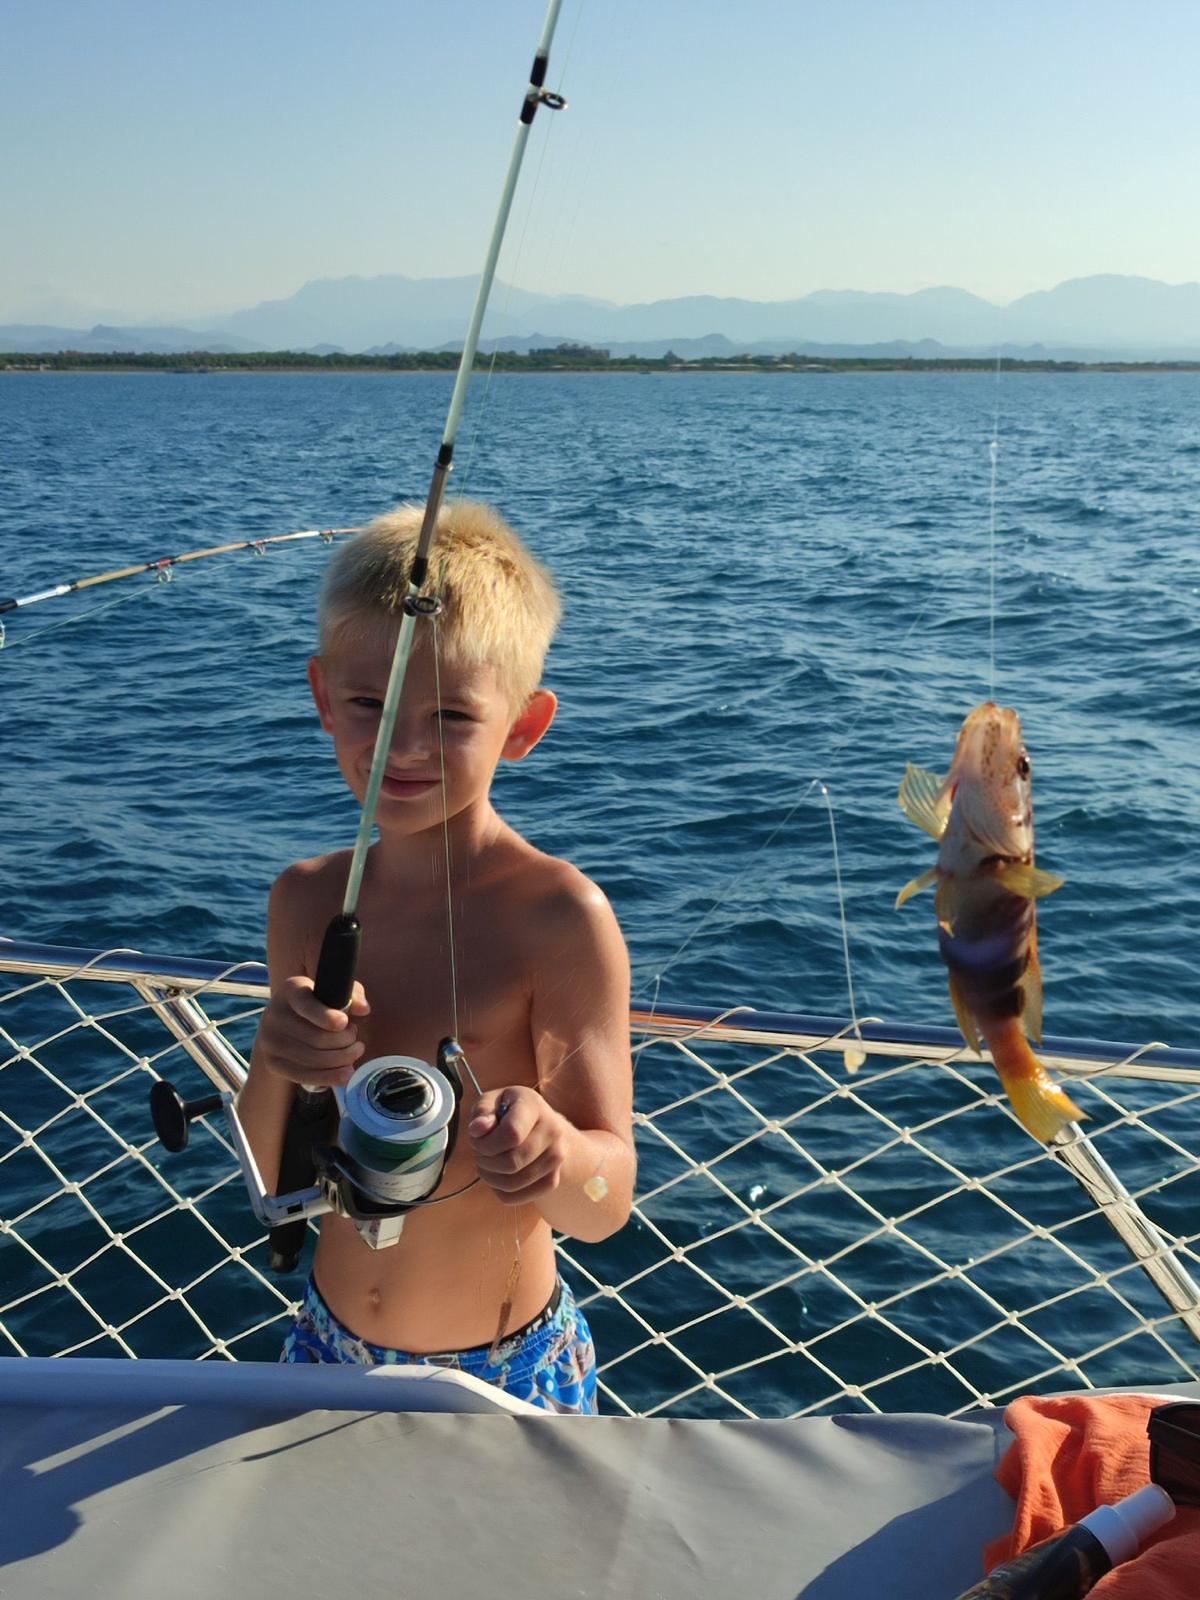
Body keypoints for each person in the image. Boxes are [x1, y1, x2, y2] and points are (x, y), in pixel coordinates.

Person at [237, 500, 635, 1413]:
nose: (400, 746)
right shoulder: (305, 900)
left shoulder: (561, 918)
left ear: (524, 727)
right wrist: (273, 1060)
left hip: (509, 1368)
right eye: (369, 704)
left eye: (451, 715)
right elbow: (276, 1176)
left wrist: (556, 1154)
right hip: (325, 1343)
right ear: (322, 698)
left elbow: (607, 1204)